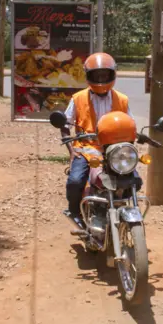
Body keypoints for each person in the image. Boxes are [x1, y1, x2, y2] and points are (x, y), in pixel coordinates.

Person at [60, 52, 140, 227]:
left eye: (105, 74)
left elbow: (130, 124)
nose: (101, 78)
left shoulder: (122, 99)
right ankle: (74, 212)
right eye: (97, 75)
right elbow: (65, 124)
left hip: (115, 151)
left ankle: (123, 208)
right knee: (75, 182)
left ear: (112, 74)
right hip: (86, 149)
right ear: (89, 75)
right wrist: (72, 150)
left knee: (135, 180)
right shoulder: (78, 98)